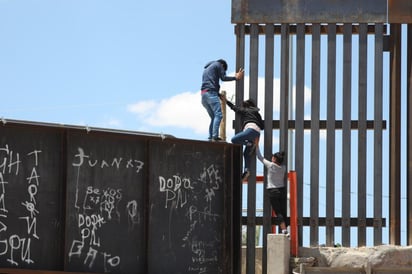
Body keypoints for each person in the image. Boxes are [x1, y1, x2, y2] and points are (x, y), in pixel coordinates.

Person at [201, 59, 244, 141]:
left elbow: (209, 83)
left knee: (214, 117)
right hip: (211, 94)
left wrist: (218, 94)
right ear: (223, 66)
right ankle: (214, 137)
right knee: (219, 115)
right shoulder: (219, 65)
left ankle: (211, 137)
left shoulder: (207, 69)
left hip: (204, 95)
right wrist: (236, 77)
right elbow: (223, 78)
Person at [222, 97, 264, 180]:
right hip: (256, 134)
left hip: (250, 130)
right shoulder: (257, 113)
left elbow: (234, 108)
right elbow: (262, 127)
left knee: (234, 139)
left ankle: (251, 144)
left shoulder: (245, 110)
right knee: (246, 154)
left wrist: (226, 101)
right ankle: (246, 170)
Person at [256, 146, 288, 235]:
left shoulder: (270, 165)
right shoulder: (283, 168)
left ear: (274, 159)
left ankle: (284, 230)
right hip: (282, 190)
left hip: (273, 191)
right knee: (282, 210)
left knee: (278, 211)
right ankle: (285, 228)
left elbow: (260, 157)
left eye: (273, 157)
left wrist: (257, 146)